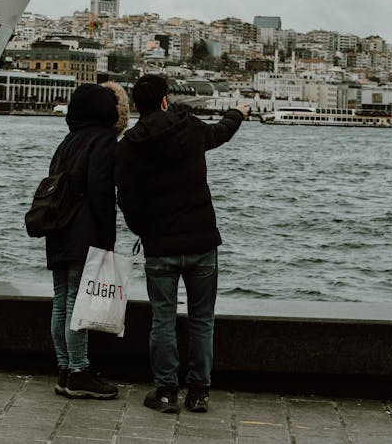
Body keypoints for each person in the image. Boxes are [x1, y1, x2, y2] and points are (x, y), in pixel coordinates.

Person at [115, 74, 249, 414]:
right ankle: (199, 393)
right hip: (202, 241)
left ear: (135, 106)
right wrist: (238, 113)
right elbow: (220, 133)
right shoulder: (188, 126)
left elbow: (126, 200)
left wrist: (146, 231)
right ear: (164, 100)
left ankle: (165, 392)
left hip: (160, 246)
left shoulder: (130, 145)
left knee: (163, 319)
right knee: (203, 319)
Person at [45, 81, 129, 400]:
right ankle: (79, 372)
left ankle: (65, 368)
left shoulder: (68, 141)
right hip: (84, 231)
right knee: (77, 303)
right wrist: (107, 237)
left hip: (58, 229)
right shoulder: (104, 139)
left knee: (61, 298)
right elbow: (101, 191)